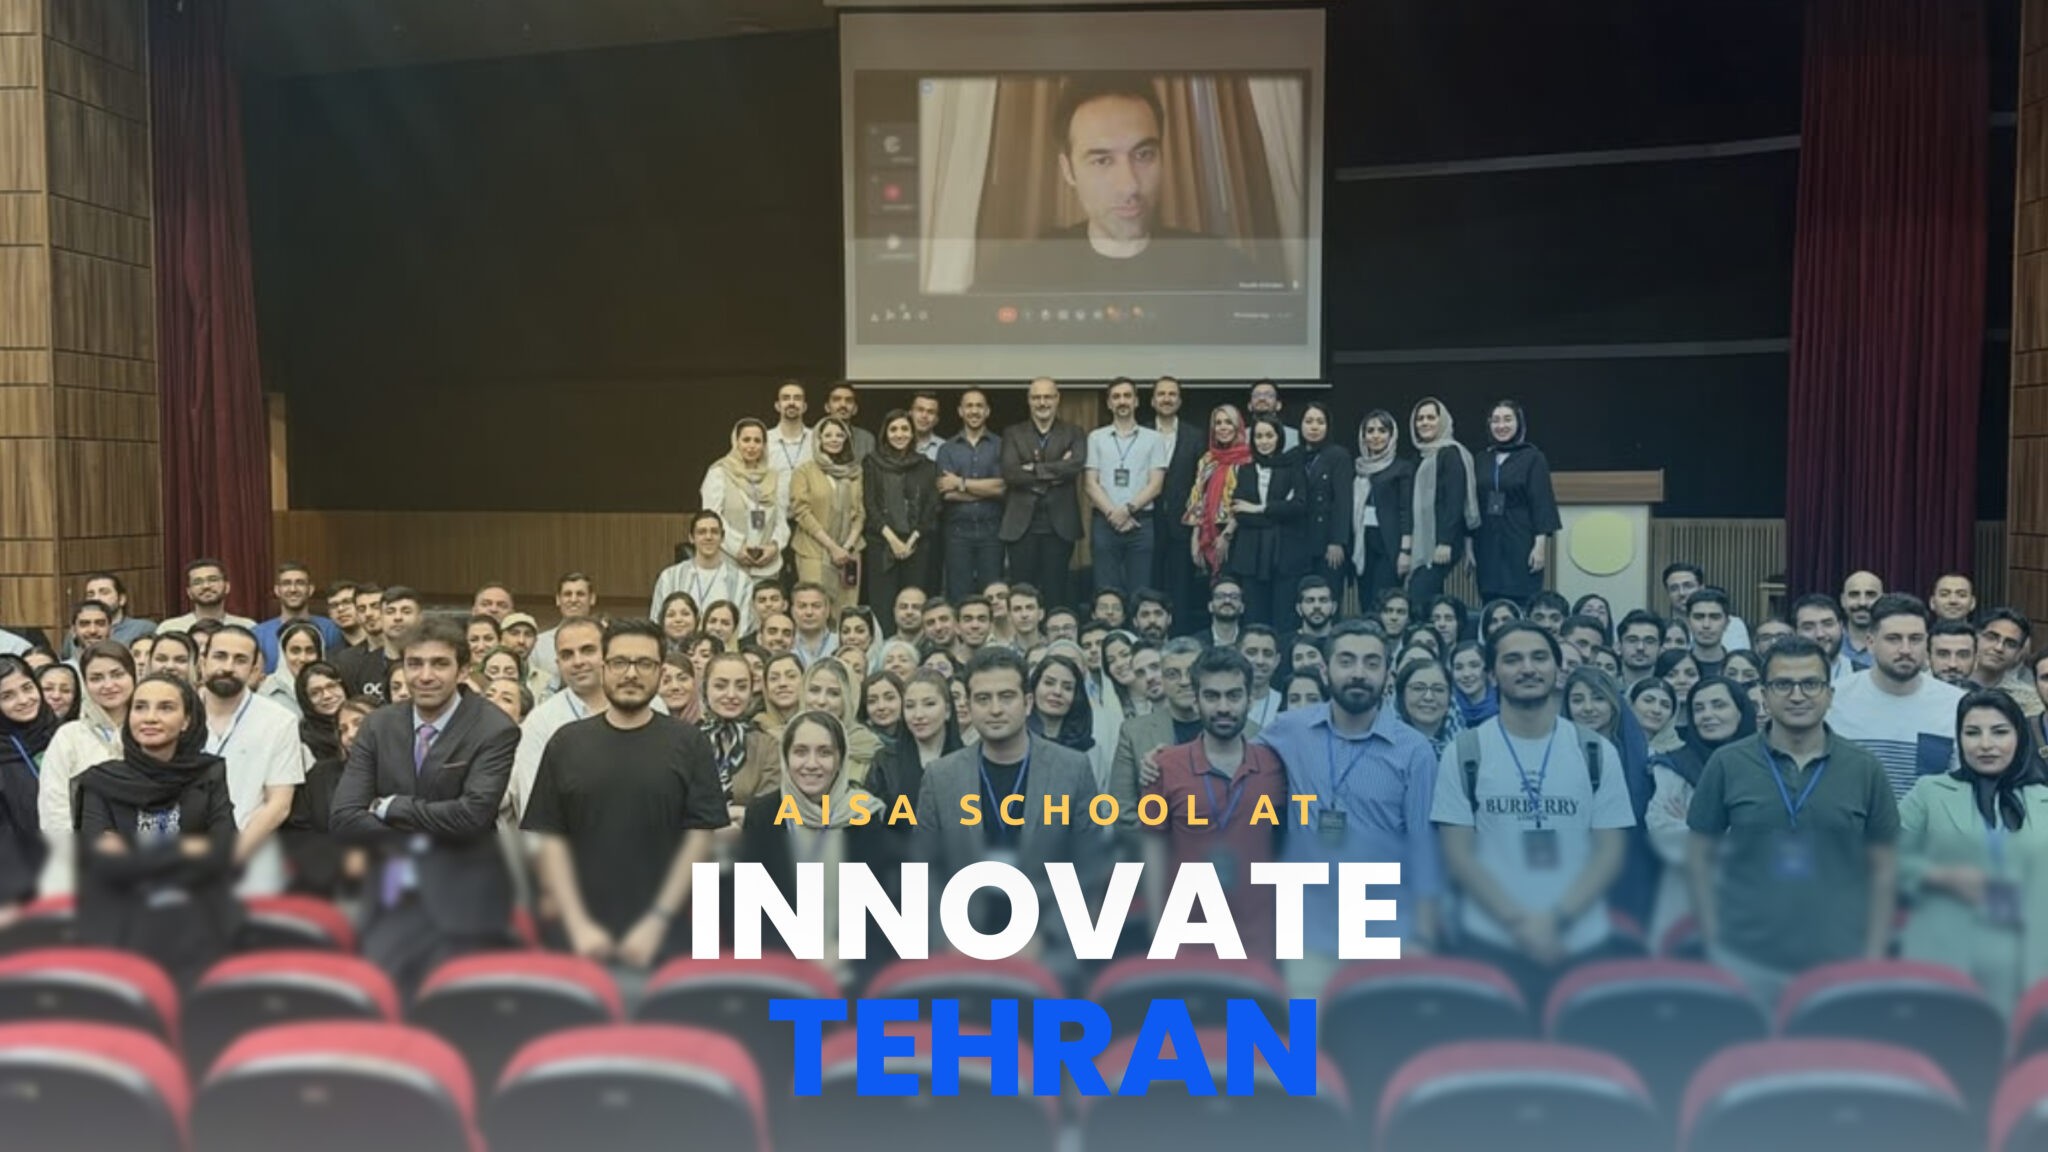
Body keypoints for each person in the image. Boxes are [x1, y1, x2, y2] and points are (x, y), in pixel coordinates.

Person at [1685, 636, 1899, 1008]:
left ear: (1829, 694)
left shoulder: (1865, 768)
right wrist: (1712, 936)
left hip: (1841, 958)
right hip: (1745, 959)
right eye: (1783, 684)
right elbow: (1698, 856)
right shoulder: (1727, 763)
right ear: (1764, 696)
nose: (1797, 695)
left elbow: (1885, 869)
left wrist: (1875, 951)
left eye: (1810, 684)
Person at [1431, 623, 1633, 1007]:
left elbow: (1610, 852)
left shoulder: (1596, 751)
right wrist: (1519, 924)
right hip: (1491, 940)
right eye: (1512, 659)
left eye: (1539, 658)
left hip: (1580, 939)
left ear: (1558, 671)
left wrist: (1555, 920)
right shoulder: (1465, 751)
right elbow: (1458, 854)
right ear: (1491, 674)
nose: (1527, 668)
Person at [526, 620, 728, 999]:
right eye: (619, 662)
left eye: (644, 664)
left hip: (670, 933)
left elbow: (699, 839)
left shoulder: (689, 742)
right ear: (603, 667)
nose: (631, 673)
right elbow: (549, 840)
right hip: (579, 935)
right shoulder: (566, 742)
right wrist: (578, 925)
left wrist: (657, 921)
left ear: (660, 670)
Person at [330, 615, 522, 995]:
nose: (425, 675)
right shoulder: (378, 725)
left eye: (439, 663)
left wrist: (393, 807)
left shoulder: (494, 728)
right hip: (389, 881)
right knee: (383, 996)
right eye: (414, 664)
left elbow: (472, 817)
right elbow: (344, 816)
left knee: (457, 1003)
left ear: (464, 669)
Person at [1257, 621, 1441, 995]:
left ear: (1387, 675)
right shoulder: (1289, 730)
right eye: (1346, 661)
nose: (1359, 673)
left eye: (1371, 663)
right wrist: (1161, 757)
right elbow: (1229, 757)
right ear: (1325, 671)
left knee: (1377, 1047)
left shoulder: (1415, 750)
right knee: (1307, 1046)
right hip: (1308, 930)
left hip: (1387, 929)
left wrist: (1423, 935)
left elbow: (1425, 848)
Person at [913, 648, 1107, 980]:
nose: (995, 709)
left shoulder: (1071, 769)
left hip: (1048, 945)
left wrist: (1045, 936)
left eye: (1006, 697)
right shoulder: (940, 776)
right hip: (959, 941)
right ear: (969, 706)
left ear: (1028, 702)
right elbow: (921, 872)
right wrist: (947, 936)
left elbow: (1092, 868)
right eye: (983, 698)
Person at [983, 74, 1254, 290]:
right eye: (1102, 161)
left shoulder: (1224, 269)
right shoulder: (1013, 279)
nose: (1130, 186)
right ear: (1068, 170)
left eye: (1144, 154)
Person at [73, 673, 241, 986]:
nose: (149, 717)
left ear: (187, 720)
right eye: (140, 707)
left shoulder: (209, 772)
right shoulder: (100, 780)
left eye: (165, 708)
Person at [1897, 690, 2048, 1013]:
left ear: (2020, 737)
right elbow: (1884, 861)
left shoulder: (2044, 799)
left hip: (2029, 960)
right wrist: (1940, 875)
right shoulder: (1931, 792)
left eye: (1999, 732)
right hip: (1945, 953)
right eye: (1972, 732)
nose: (1985, 744)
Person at [1141, 647, 1289, 961]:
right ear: (1196, 700)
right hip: (1185, 934)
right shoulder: (1164, 766)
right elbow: (1153, 850)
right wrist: (1157, 929)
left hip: (1260, 937)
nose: (1223, 707)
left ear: (1250, 699)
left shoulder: (1276, 764)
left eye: (1234, 696)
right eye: (1212, 696)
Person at [733, 710, 882, 977]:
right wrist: (796, 965)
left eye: (824, 752)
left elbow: (880, 913)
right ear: (786, 757)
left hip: (851, 971)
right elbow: (749, 911)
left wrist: (838, 955)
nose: (811, 763)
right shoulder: (763, 813)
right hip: (780, 972)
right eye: (800, 752)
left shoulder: (867, 816)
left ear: (840, 759)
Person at [1644, 676, 1757, 944]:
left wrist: (1696, 825)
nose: (1707, 715)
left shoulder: (1767, 767)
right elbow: (1663, 831)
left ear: (1741, 711)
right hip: (1684, 901)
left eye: (1718, 705)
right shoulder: (1674, 765)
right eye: (1699, 708)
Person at [197, 627, 305, 896]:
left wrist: (228, 857)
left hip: (250, 858)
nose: (228, 667)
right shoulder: (176, 711)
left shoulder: (279, 720)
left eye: (240, 660)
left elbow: (279, 805)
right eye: (220, 656)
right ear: (203, 661)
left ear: (255, 667)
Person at [1828, 594, 1964, 799]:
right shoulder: (1833, 699)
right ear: (1871, 643)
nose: (1906, 650)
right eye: (1893, 639)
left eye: (1915, 639)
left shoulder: (1956, 704)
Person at [1000, 378, 1087, 607]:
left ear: (1057, 399)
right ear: (1029, 401)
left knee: (1056, 591)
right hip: (1021, 525)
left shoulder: (1074, 432)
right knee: (1022, 593)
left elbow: (1075, 466)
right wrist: (1057, 470)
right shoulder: (1013, 433)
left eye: (1047, 397)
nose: (1042, 402)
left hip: (1059, 525)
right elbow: (1011, 473)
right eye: (1036, 397)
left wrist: (1034, 469)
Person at [1085, 378, 1168, 597]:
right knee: (1105, 591)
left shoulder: (1154, 439)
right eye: (1116, 397)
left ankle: (1137, 633)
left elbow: (1156, 484)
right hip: (1104, 522)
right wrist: (1114, 514)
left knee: (1140, 592)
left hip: (1141, 524)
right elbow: (1090, 483)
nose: (1122, 401)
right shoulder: (1096, 437)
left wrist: (1127, 510)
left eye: (1127, 396)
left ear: (1137, 401)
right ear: (1109, 404)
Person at [1472, 400, 1560, 605]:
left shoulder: (1533, 457)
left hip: (1521, 538)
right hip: (1486, 541)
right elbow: (1472, 502)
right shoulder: (1481, 458)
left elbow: (1542, 502)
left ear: (1519, 423)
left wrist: (1540, 547)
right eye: (1495, 420)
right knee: (1490, 600)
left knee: (1521, 599)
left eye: (1507, 419)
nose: (1501, 426)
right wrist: (1469, 547)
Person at [1222, 415, 1306, 629]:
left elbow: (1299, 507)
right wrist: (1277, 513)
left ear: (1279, 438)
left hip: (1284, 554)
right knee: (1253, 620)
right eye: (1258, 436)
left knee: (1283, 620)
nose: (1264, 441)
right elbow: (1240, 512)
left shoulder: (1292, 467)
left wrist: (1260, 508)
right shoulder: (1246, 469)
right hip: (1251, 554)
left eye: (1269, 435)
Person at [864, 410, 939, 618]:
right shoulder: (872, 463)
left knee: (914, 608)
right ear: (885, 434)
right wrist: (893, 541)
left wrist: (911, 540)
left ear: (913, 433)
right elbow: (870, 505)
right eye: (894, 429)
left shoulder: (927, 466)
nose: (899, 434)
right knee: (883, 607)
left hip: (917, 545)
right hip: (881, 544)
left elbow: (931, 508)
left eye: (905, 429)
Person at [935, 389, 1006, 603]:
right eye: (969, 406)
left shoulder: (1001, 445)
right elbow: (947, 494)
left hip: (992, 531)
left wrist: (961, 483)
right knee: (958, 594)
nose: (974, 411)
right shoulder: (946, 449)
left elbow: (1003, 488)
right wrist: (987, 491)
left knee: (993, 594)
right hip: (957, 533)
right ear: (960, 411)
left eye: (979, 406)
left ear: (987, 411)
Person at [790, 417, 867, 614]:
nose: (834, 439)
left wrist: (846, 548)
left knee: (846, 612)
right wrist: (833, 548)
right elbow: (801, 512)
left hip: (849, 551)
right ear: (818, 439)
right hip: (813, 551)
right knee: (814, 609)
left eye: (840, 435)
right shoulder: (804, 471)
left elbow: (860, 513)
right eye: (828, 435)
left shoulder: (855, 472)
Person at [1150, 377, 1207, 636]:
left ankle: (1181, 642)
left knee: (1181, 590)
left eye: (1172, 394)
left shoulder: (1195, 436)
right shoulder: (1141, 434)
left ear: (1180, 401)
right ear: (1152, 400)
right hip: (1147, 523)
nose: (1166, 399)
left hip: (1182, 525)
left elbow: (1201, 483)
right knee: (1150, 588)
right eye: (1161, 394)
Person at [1406, 398, 1478, 603]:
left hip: (1442, 542)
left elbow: (1455, 501)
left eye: (1431, 417)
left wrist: (1444, 542)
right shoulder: (1419, 456)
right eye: (1419, 418)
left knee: (1419, 594)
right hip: (1423, 540)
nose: (1424, 423)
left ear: (1442, 421)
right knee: (1428, 597)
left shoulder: (1451, 453)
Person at [701, 418, 791, 583]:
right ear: (736, 442)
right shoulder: (719, 473)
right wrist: (737, 549)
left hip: (766, 565)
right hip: (730, 561)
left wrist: (774, 546)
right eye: (746, 440)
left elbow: (781, 521)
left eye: (758, 441)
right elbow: (712, 519)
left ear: (764, 445)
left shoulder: (773, 477)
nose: (752, 445)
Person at [0, 656, 57, 910]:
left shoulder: (62, 733)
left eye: (27, 688)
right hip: (22, 883)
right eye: (7, 696)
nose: (23, 700)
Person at [650, 512, 756, 642]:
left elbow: (743, 629)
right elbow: (657, 623)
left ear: (722, 538)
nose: (708, 537)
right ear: (691, 538)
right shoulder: (669, 577)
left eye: (714, 532)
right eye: (701, 532)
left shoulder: (742, 581)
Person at [699, 652, 781, 817]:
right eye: (720, 686)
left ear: (751, 691)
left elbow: (770, 808)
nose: (731, 695)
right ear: (705, 689)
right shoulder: (685, 740)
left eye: (741, 687)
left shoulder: (768, 745)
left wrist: (745, 815)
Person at [1351, 409, 1413, 614]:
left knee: (1385, 603)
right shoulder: (1359, 467)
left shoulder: (1402, 468)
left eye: (1381, 430)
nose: (1375, 436)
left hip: (1390, 547)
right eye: (1370, 431)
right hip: (1363, 545)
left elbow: (1407, 511)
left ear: (1391, 435)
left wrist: (1405, 552)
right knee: (1366, 602)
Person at [1186, 405, 1253, 587]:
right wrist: (1195, 538)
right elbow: (1198, 498)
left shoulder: (1249, 460)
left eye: (1228, 422)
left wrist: (1227, 535)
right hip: (1209, 531)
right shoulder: (1208, 459)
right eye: (1218, 423)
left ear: (1238, 427)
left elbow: (1248, 498)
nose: (1223, 427)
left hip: (1239, 531)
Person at [1295, 402, 1354, 599]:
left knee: (1328, 597)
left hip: (1328, 543)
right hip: (1300, 541)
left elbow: (1343, 501)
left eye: (1320, 422)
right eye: (1308, 421)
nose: (1314, 427)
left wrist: (1337, 541)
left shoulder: (1339, 455)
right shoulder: (1295, 456)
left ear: (1328, 426)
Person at [1025, 653, 1107, 789]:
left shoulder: (1091, 752)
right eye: (1049, 683)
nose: (1057, 692)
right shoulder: (1017, 743)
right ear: (1034, 688)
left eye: (1067, 687)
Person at [251, 562, 346, 674]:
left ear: (310, 589)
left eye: (300, 583)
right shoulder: (258, 634)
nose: (293, 589)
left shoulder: (332, 629)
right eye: (286, 583)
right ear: (277, 591)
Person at [530, 572, 597, 689]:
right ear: (558, 599)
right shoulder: (538, 645)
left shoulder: (606, 640)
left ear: (592, 599)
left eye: (580, 594)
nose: (573, 599)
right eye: (567, 594)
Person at [160, 558, 257, 635]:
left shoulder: (248, 627)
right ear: (189, 592)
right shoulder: (170, 629)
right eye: (197, 582)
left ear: (227, 587)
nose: (206, 586)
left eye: (213, 579)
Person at [1394, 657, 1460, 757]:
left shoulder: (1468, 745)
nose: (1428, 697)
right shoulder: (1384, 747)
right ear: (1402, 695)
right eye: (1418, 688)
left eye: (1438, 689)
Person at [764, 380, 816, 480]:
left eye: (797, 398)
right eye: (785, 398)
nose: (791, 403)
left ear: (804, 406)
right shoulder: (764, 439)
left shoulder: (817, 439)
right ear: (777, 406)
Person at [1838, 570, 1885, 673]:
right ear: (1843, 600)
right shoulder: (1830, 643)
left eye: (1870, 595)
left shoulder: (1894, 644)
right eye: (1854, 595)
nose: (1862, 602)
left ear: (1883, 600)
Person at [824, 382, 877, 461]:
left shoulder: (866, 439)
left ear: (855, 409)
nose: (843, 405)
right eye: (837, 399)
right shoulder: (814, 437)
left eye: (848, 400)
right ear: (827, 407)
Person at [1931, 620, 1979, 687]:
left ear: (1976, 660)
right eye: (1943, 655)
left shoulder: (1988, 697)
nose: (1952, 664)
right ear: (1927, 658)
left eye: (1963, 655)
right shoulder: (1912, 696)